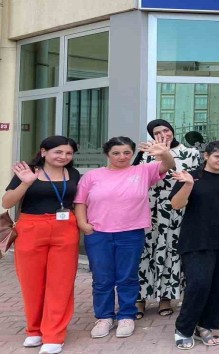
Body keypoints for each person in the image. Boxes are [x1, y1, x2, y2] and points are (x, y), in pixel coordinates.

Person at [74, 136, 175, 340]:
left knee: (127, 277)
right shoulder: (92, 176)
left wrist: (164, 153)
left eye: (127, 152)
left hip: (131, 233)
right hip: (99, 234)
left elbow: (168, 165)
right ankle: (104, 317)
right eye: (116, 153)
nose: (122, 157)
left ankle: (126, 315)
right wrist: (84, 225)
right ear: (107, 154)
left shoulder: (143, 171)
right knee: (102, 278)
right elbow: (80, 202)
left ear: (133, 153)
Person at [2, 136, 81, 354]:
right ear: (44, 152)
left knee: (61, 283)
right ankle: (34, 330)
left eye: (68, 153)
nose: (63, 157)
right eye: (58, 152)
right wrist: (26, 183)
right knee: (31, 283)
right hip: (31, 228)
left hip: (65, 228)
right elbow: (7, 202)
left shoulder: (73, 173)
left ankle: (54, 335)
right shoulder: (27, 171)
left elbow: (78, 201)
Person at [169, 141, 219, 350]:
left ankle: (204, 326)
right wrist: (188, 185)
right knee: (199, 284)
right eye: (217, 156)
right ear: (206, 156)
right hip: (197, 240)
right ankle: (184, 329)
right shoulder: (190, 176)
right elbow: (176, 204)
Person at [136, 119, 201, 320]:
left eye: (166, 130)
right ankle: (139, 299)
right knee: (145, 253)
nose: (163, 134)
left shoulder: (190, 153)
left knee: (171, 252)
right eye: (157, 132)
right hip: (149, 209)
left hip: (177, 209)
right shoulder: (145, 153)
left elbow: (196, 181)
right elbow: (135, 180)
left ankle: (166, 297)